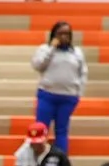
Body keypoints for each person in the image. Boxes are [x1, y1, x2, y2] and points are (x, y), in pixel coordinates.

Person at [31, 21, 88, 152]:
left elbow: (83, 73)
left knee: (61, 130)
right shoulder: (44, 49)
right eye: (60, 33)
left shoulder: (77, 52)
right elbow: (38, 65)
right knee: (41, 128)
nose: (64, 37)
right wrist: (51, 49)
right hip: (47, 94)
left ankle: (61, 160)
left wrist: (79, 94)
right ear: (54, 35)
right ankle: (37, 158)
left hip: (68, 97)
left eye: (67, 34)